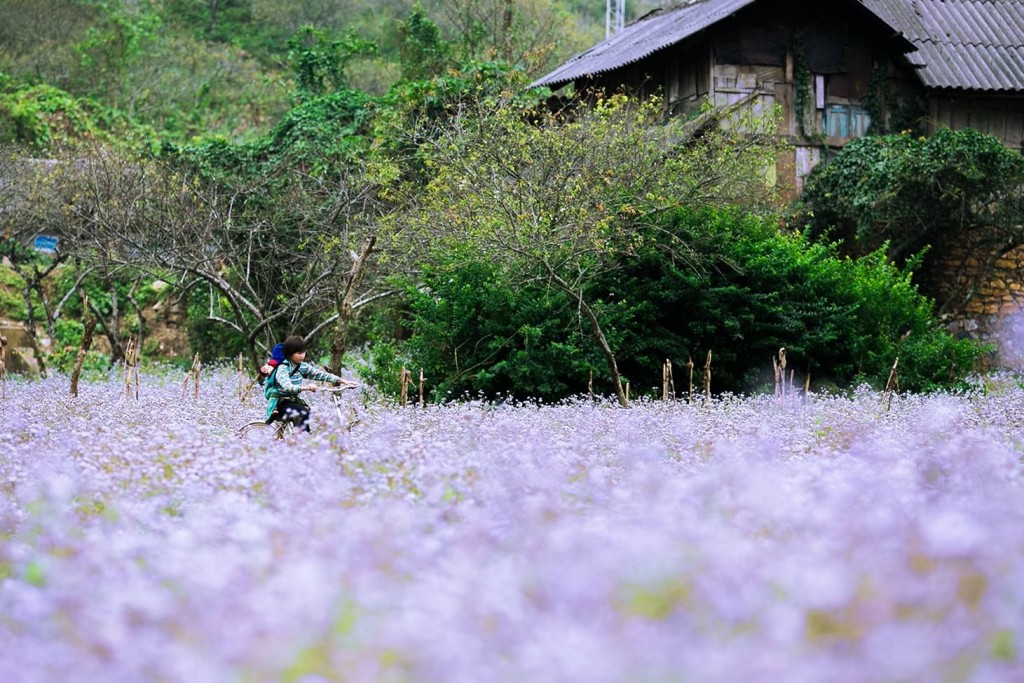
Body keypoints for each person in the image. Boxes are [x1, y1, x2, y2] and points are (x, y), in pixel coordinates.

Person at [264, 335, 356, 432]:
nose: (302, 355)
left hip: (292, 400)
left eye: (303, 352)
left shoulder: (302, 366)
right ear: (290, 353)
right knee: (302, 413)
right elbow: (288, 387)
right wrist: (306, 387)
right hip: (279, 403)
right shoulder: (283, 368)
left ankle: (303, 441)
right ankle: (300, 443)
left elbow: (320, 375)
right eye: (298, 353)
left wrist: (343, 381)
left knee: (306, 414)